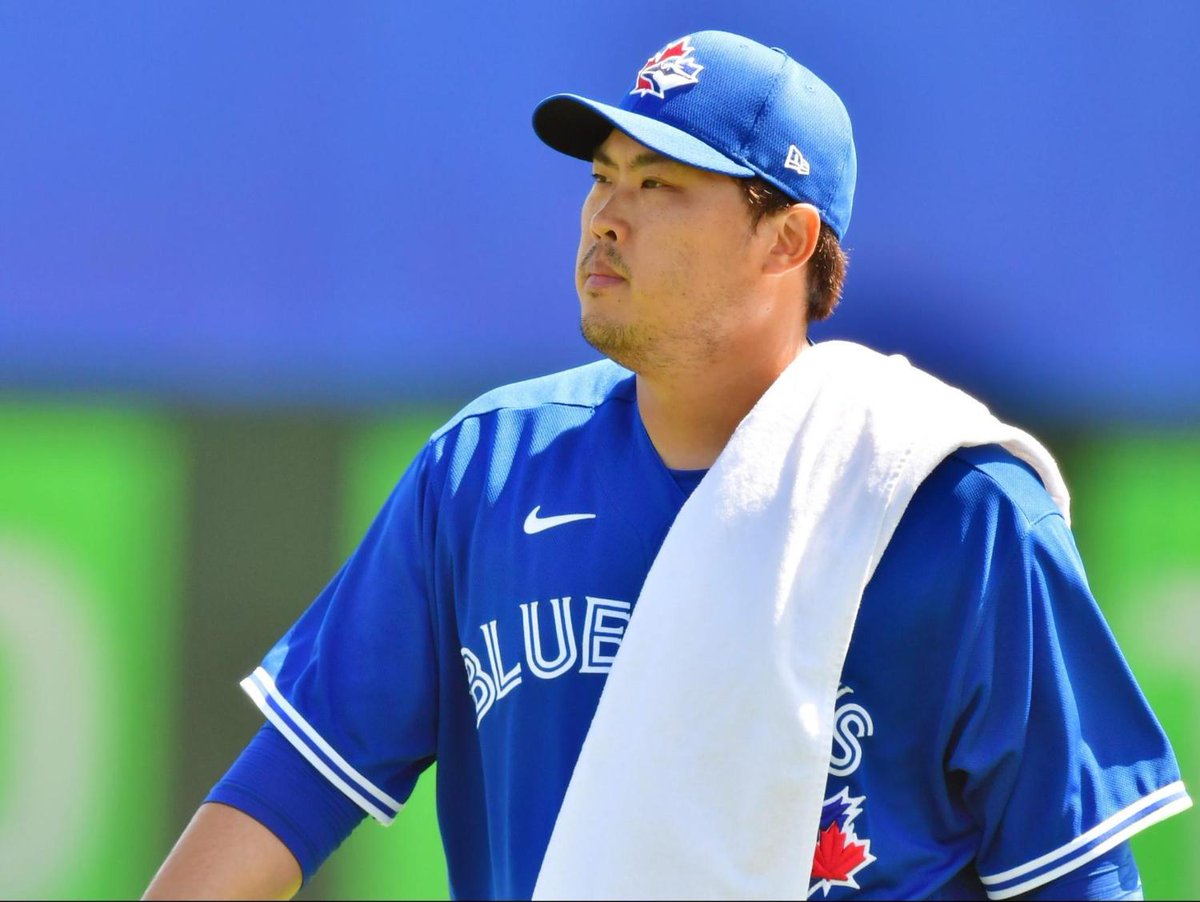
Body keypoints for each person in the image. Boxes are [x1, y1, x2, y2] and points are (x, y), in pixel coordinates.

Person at [144, 30, 1190, 901]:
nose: (608, 212)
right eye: (603, 176)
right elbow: (285, 795)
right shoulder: (487, 471)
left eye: (660, 183)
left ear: (787, 240)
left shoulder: (947, 505)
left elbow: (1078, 873)